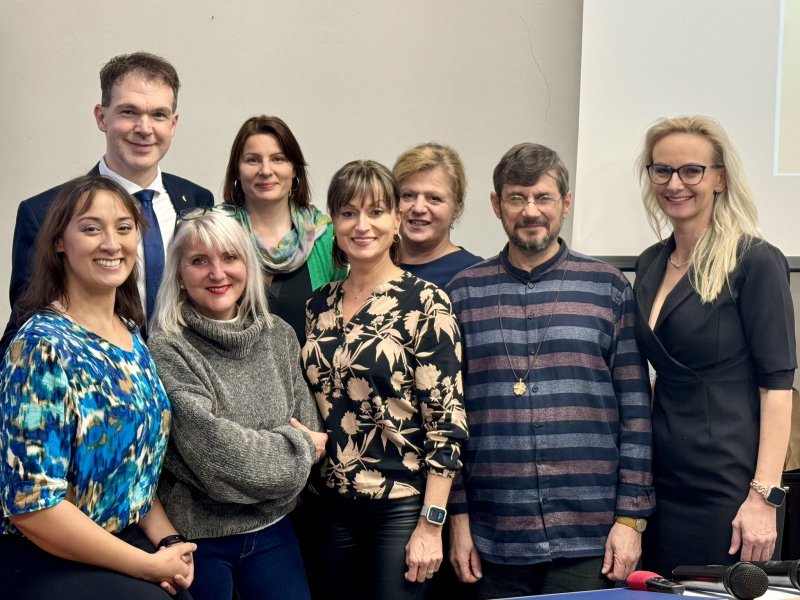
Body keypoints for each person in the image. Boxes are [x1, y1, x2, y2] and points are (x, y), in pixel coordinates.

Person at [446, 143, 654, 599]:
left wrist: (630, 519)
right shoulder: (461, 293)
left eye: (543, 197)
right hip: (493, 534)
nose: (530, 211)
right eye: (517, 198)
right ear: (496, 204)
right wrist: (457, 521)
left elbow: (637, 414)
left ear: (566, 202)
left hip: (590, 533)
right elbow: (448, 419)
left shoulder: (608, 287)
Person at [0, 175, 196, 599]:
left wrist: (170, 542)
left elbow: (134, 466)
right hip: (47, 553)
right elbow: (33, 507)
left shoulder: (130, 334)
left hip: (122, 539)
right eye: (91, 229)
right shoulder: (40, 347)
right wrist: (148, 565)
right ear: (59, 242)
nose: (112, 244)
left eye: (124, 228)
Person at [633, 115, 796, 575]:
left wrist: (763, 497)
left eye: (692, 171)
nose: (675, 183)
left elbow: (777, 389)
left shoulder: (755, 261)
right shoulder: (649, 263)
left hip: (729, 486)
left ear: (720, 179)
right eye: (662, 170)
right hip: (661, 478)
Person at [301, 160, 468, 600]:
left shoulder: (426, 302)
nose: (362, 225)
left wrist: (431, 525)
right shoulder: (318, 305)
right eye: (348, 213)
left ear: (396, 219)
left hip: (399, 508)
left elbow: (446, 422)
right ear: (333, 223)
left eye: (376, 211)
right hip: (329, 505)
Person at [148, 206, 325, 600]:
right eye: (199, 261)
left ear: (248, 265)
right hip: (199, 543)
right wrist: (295, 446)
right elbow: (216, 460)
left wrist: (268, 455)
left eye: (230, 257)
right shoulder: (167, 349)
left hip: (276, 532)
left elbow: (313, 433)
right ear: (179, 275)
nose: (217, 273)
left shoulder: (278, 335)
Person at [1, 51, 214, 354]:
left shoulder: (196, 200)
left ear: (173, 123)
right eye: (129, 112)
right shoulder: (44, 213)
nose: (144, 128)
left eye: (158, 115)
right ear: (102, 117)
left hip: (189, 377)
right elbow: (23, 331)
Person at [222, 115, 346, 345]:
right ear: (237, 171)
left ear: (295, 169)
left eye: (278, 159)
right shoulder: (215, 233)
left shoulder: (326, 237)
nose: (265, 170)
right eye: (252, 160)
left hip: (308, 368)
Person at [392, 143, 482, 288]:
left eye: (434, 198)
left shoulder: (475, 277)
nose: (418, 208)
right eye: (408, 195)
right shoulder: (371, 267)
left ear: (456, 210)